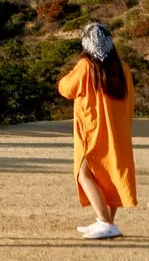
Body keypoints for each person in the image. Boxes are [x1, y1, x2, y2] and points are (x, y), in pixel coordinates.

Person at [57, 22, 136, 240]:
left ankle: (104, 221)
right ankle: (107, 221)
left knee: (83, 173)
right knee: (111, 174)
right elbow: (130, 100)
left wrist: (71, 71)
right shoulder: (122, 68)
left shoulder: (86, 66)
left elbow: (66, 88)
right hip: (118, 131)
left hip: (92, 131)